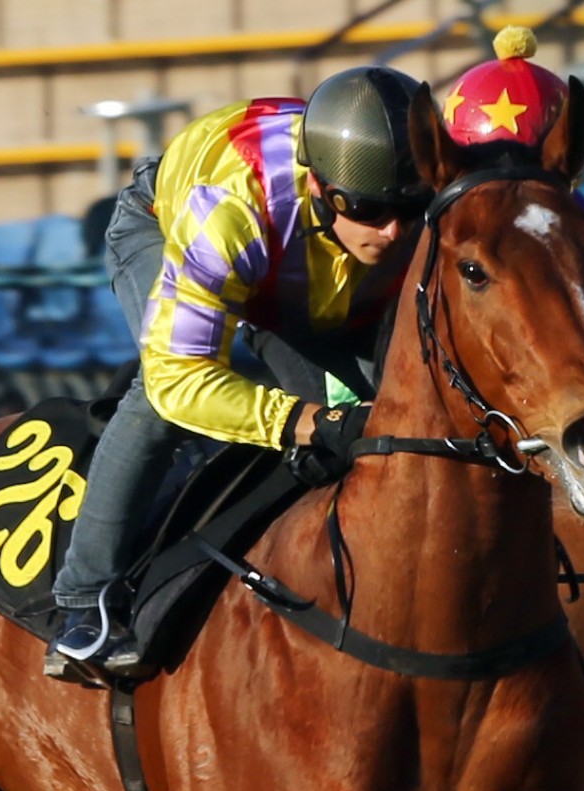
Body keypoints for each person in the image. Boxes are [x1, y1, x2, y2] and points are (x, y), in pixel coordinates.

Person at [46, 65, 433, 677]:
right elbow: (180, 381)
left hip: (301, 261)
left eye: (411, 208)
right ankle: (83, 600)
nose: (390, 231)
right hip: (176, 227)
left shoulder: (414, 196)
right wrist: (308, 420)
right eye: (366, 207)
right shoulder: (227, 214)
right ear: (319, 185)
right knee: (156, 402)